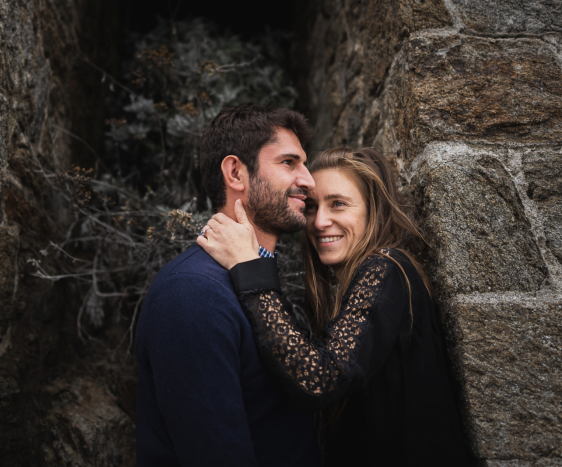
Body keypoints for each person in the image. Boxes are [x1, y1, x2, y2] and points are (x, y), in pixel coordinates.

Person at [198, 147, 471, 466]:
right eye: (311, 207)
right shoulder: (354, 283)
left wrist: (249, 268)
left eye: (338, 204)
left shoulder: (386, 268)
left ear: (374, 210)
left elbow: (319, 379)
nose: (319, 222)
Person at [135, 104, 322, 466]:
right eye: (289, 163)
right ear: (236, 172)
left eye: (304, 163)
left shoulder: (253, 278)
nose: (309, 179)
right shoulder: (191, 293)